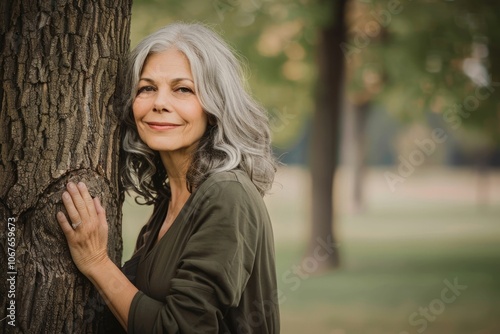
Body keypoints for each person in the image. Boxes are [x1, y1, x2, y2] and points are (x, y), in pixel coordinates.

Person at [56, 22, 280, 333]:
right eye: (147, 88)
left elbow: (181, 328)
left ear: (215, 107)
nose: (160, 103)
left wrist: (96, 262)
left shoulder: (228, 195)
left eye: (183, 89)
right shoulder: (172, 198)